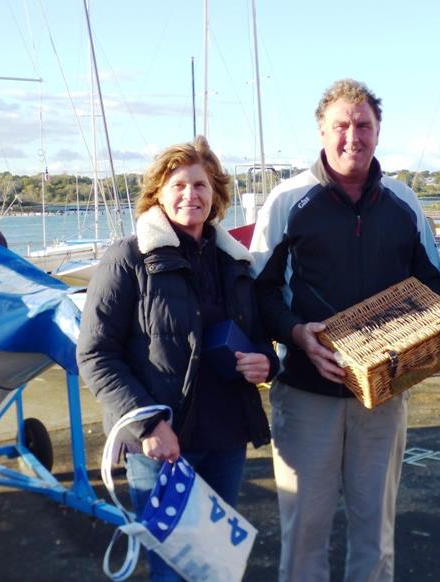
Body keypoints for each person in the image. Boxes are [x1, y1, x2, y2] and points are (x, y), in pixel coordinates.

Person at [250, 78, 440, 582]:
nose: (353, 136)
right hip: (307, 392)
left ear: (378, 131)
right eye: (341, 126)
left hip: (384, 396)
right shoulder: (288, 201)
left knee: (375, 537)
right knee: (305, 537)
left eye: (364, 125)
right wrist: (296, 333)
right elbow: (259, 293)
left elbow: (432, 285)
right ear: (322, 132)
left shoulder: (403, 202)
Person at [77, 137, 278, 581]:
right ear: (158, 195)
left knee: (214, 565)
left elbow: (261, 340)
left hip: (226, 438)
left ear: (216, 194)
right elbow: (95, 353)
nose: (192, 195)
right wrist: (146, 424)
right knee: (171, 567)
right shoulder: (128, 259)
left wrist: (266, 363)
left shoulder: (235, 264)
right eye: (179, 185)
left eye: (202, 185)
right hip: (161, 444)